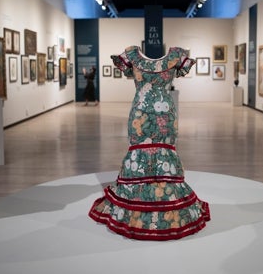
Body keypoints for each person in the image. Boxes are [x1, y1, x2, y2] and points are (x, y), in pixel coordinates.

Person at [88, 45, 210, 240]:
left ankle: (164, 199)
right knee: (138, 153)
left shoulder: (177, 56)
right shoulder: (130, 56)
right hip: (139, 117)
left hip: (166, 117)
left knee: (166, 153)